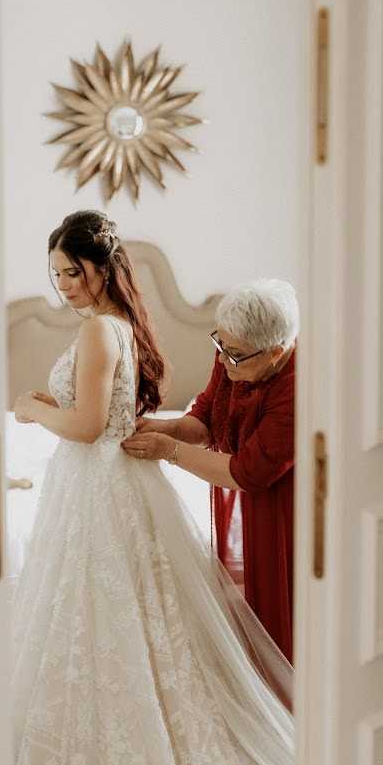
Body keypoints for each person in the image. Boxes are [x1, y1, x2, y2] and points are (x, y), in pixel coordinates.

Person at [11, 210, 293, 765]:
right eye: (55, 274)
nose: (64, 285)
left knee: (102, 622)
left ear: (101, 268)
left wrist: (31, 409)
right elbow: (148, 417)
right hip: (102, 484)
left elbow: (84, 426)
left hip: (96, 482)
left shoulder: (98, 334)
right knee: (107, 621)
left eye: (72, 272)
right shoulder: (117, 328)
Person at [125, 281, 296, 664]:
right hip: (252, 486)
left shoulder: (297, 388)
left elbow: (247, 472)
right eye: (219, 345)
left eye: (233, 355)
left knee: (282, 607)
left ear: (276, 353)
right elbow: (205, 418)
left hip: (287, 505)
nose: (221, 361)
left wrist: (169, 451)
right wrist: (165, 427)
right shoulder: (233, 355)